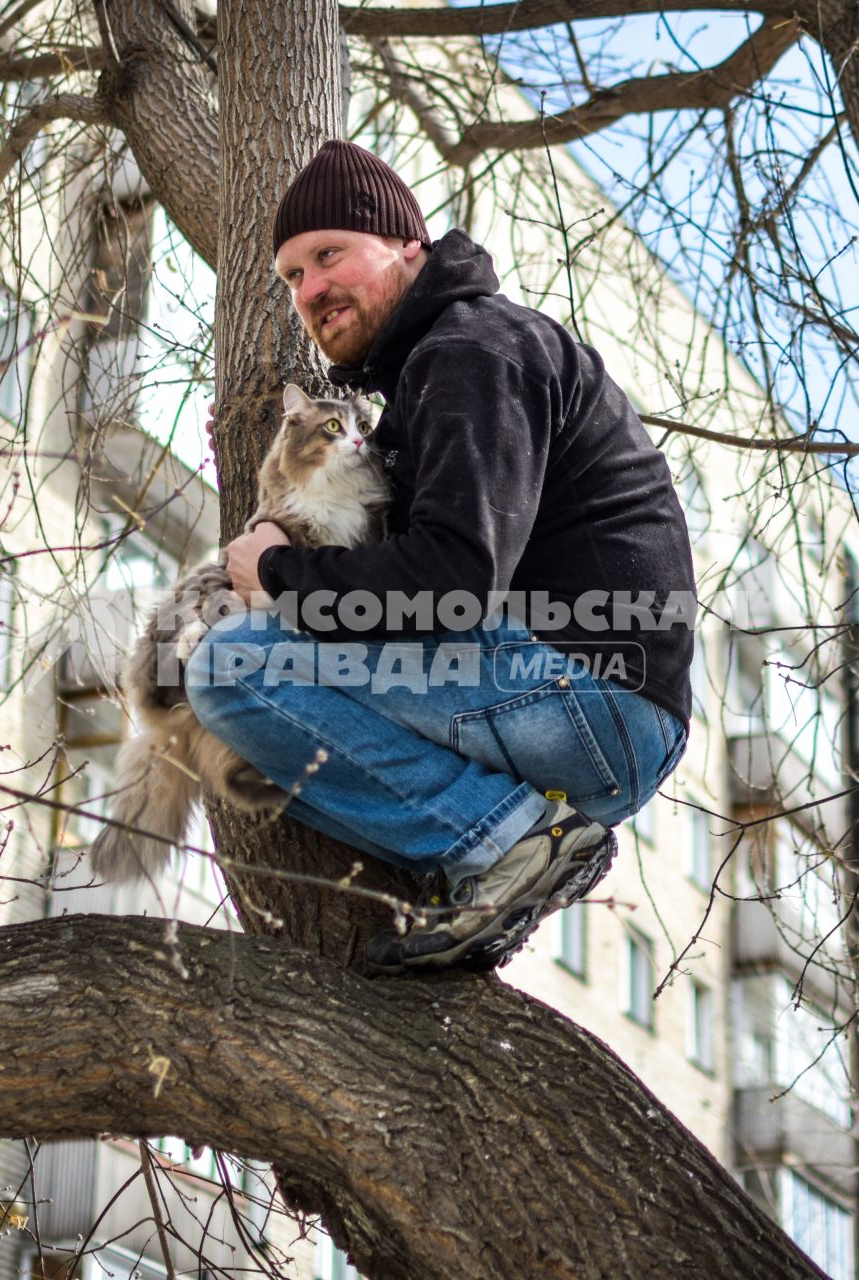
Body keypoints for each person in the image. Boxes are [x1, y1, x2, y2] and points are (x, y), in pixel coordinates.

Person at [187, 140, 696, 974]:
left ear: (406, 246)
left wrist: (277, 575)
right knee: (277, 752)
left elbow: (452, 582)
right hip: (599, 718)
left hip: (590, 692)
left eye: (329, 256)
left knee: (234, 667)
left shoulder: (471, 350)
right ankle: (491, 857)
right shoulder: (436, 371)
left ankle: (506, 842)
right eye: (292, 278)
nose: (312, 290)